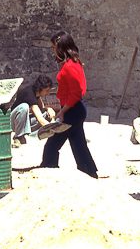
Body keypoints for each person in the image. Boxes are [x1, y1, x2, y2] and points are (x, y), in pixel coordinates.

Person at [39, 31, 98, 179]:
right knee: (78, 144)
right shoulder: (74, 63)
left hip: (72, 110)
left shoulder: (69, 67)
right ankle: (89, 172)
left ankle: (48, 172)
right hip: (75, 109)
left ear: (61, 48)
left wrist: (63, 112)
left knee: (52, 145)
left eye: (54, 47)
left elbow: (76, 93)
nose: (53, 51)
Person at [10, 75, 56, 147]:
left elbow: (41, 110)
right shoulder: (29, 93)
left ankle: (33, 134)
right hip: (12, 122)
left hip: (23, 123)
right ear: (41, 88)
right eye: (47, 90)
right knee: (24, 107)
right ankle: (18, 137)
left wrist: (48, 109)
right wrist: (54, 128)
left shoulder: (36, 95)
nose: (48, 93)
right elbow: (40, 119)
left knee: (46, 115)